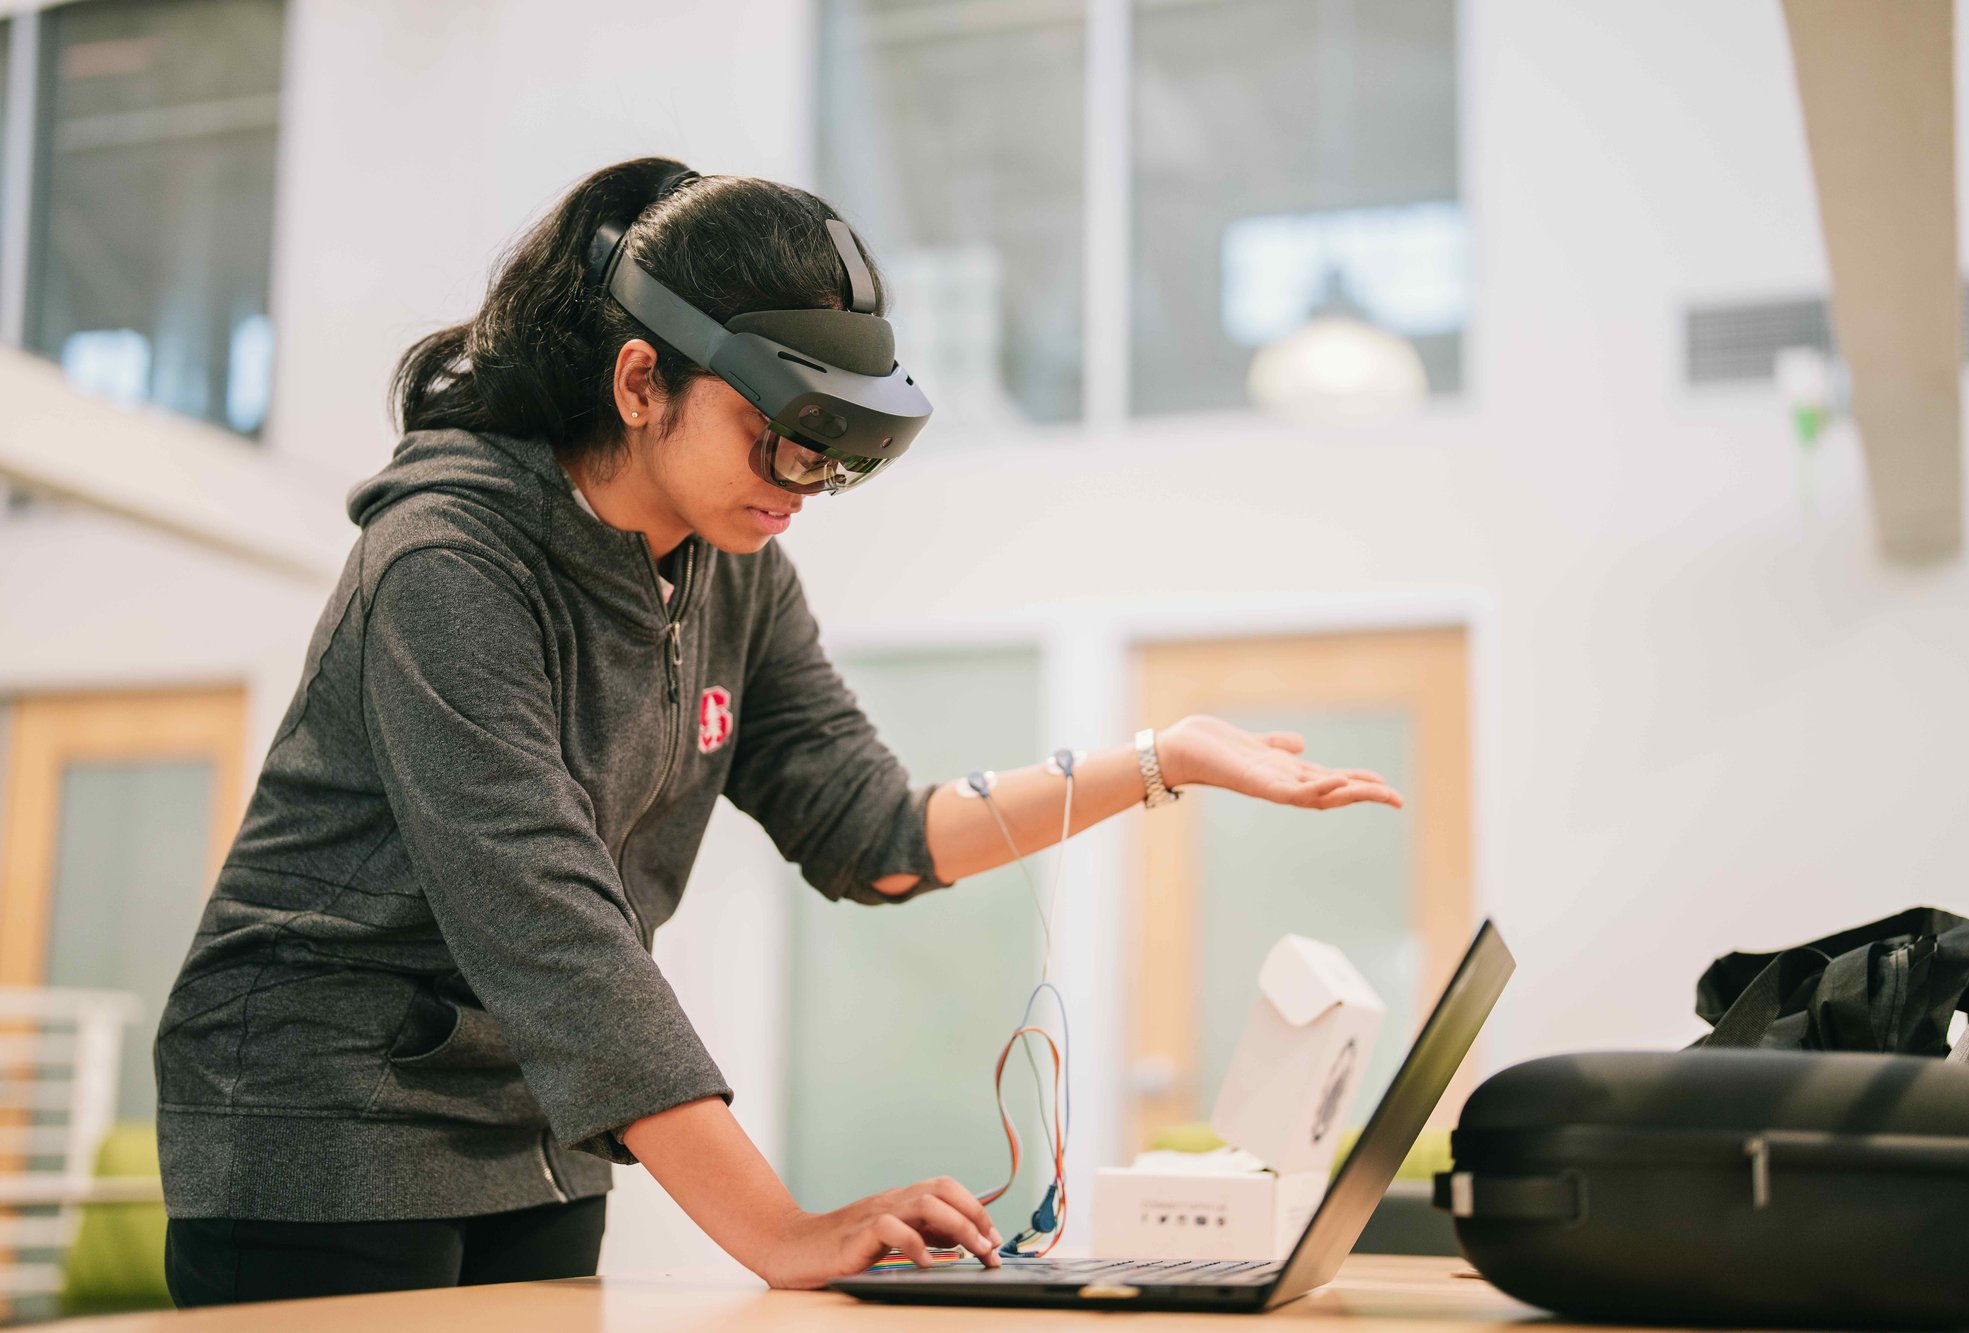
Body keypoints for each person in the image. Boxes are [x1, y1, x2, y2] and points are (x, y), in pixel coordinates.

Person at [152, 157, 1403, 1307]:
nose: (800, 484)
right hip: (315, 1110)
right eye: (778, 438)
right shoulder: (444, 563)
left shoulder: (731, 565)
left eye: (832, 458)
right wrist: (782, 1230)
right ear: (641, 382)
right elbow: (548, 929)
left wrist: (1157, 759)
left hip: (530, 1116)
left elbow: (875, 834)